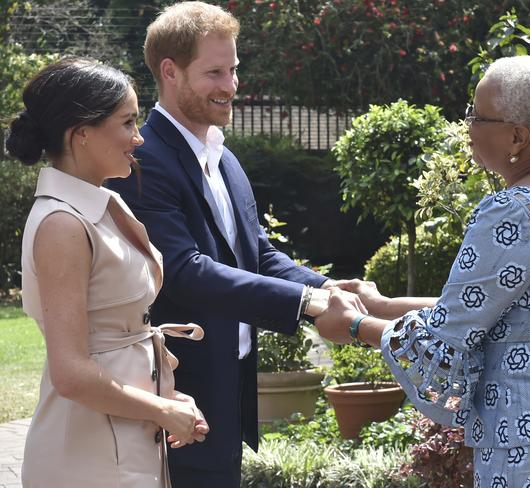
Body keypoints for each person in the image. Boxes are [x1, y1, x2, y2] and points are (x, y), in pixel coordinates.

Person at [317, 55, 530, 487]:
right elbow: (509, 310)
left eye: (477, 115)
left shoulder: (511, 211)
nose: (467, 125)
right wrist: (385, 304)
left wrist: (356, 325)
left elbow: (444, 340)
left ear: (517, 137)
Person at [106, 3, 363, 486]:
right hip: (176, 394)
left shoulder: (224, 158)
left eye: (234, 69)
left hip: (230, 390)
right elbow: (183, 270)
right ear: (170, 72)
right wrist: (308, 303)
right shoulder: (144, 160)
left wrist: (325, 284)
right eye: (215, 73)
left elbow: (257, 253)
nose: (231, 85)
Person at [7, 57, 209, 488]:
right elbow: (71, 372)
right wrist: (162, 409)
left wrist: (166, 398)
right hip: (87, 452)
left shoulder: (101, 205)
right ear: (81, 134)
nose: (138, 138)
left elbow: (113, 337)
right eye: (127, 122)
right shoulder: (63, 224)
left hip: (121, 437)